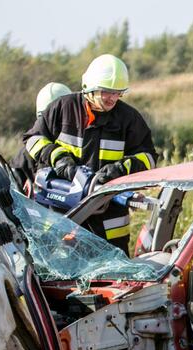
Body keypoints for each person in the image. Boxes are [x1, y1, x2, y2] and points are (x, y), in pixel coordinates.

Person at [22, 54, 157, 253]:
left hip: (110, 225)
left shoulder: (129, 119)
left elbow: (150, 158)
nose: (112, 98)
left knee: (113, 278)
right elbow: (33, 139)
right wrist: (60, 160)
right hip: (63, 216)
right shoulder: (63, 108)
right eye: (106, 92)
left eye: (118, 92)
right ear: (89, 88)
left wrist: (120, 169)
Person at [10, 82, 72, 194]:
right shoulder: (25, 156)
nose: (53, 124)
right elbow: (13, 195)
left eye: (60, 118)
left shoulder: (83, 147)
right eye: (48, 118)